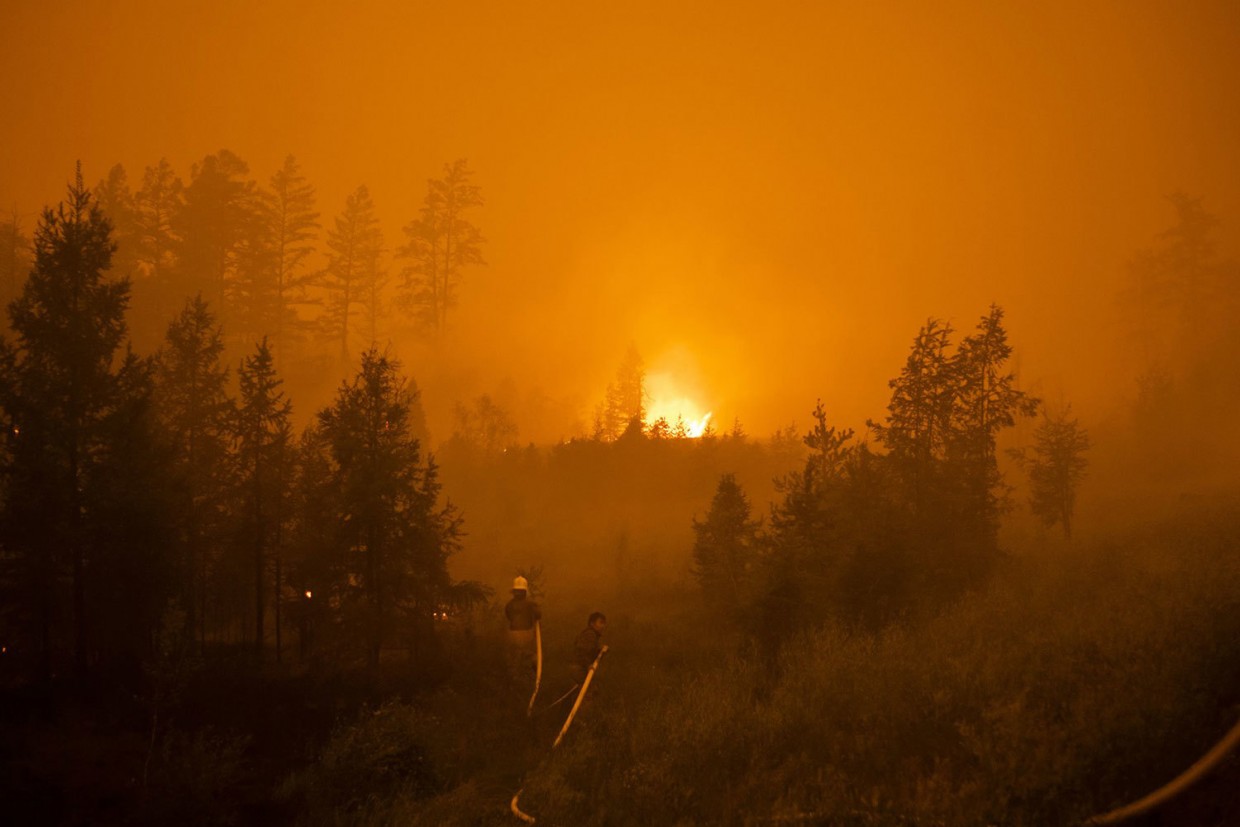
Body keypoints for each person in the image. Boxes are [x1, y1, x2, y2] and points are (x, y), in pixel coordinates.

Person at [504, 575, 541, 688]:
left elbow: (509, 616)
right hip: (526, 635)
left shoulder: (509, 605)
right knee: (528, 660)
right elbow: (539, 615)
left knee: (515, 661)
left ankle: (517, 684)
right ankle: (531, 683)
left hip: (512, 634)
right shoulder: (530, 604)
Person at [572, 611, 606, 684]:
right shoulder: (590, 634)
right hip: (580, 668)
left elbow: (591, 652)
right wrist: (588, 665)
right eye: (601, 622)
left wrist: (600, 650)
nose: (603, 626)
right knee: (590, 691)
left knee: (587, 690)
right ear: (592, 624)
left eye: (604, 623)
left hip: (581, 668)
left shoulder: (593, 636)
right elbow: (582, 651)